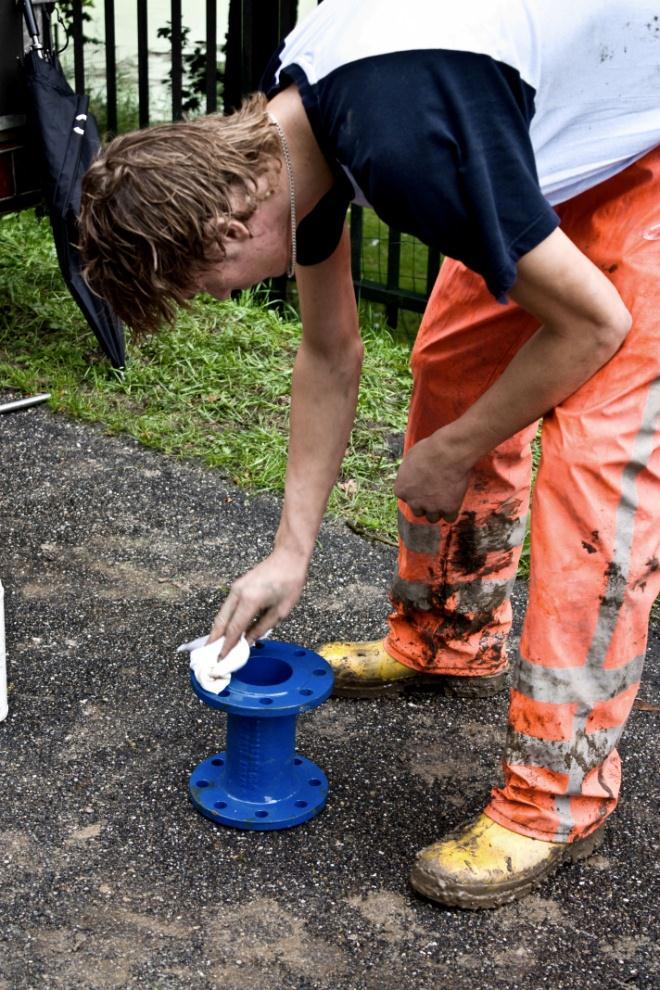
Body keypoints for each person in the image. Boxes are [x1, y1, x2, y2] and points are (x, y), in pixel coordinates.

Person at [79, 0, 660, 909]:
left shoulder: (402, 139)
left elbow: (597, 323)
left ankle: (557, 798)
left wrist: (457, 451)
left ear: (229, 227)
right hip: (532, 148)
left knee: (598, 467)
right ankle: (449, 639)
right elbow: (330, 350)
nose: (227, 297)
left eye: (211, 284)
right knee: (451, 370)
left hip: (642, 150)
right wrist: (289, 552)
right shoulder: (289, 138)